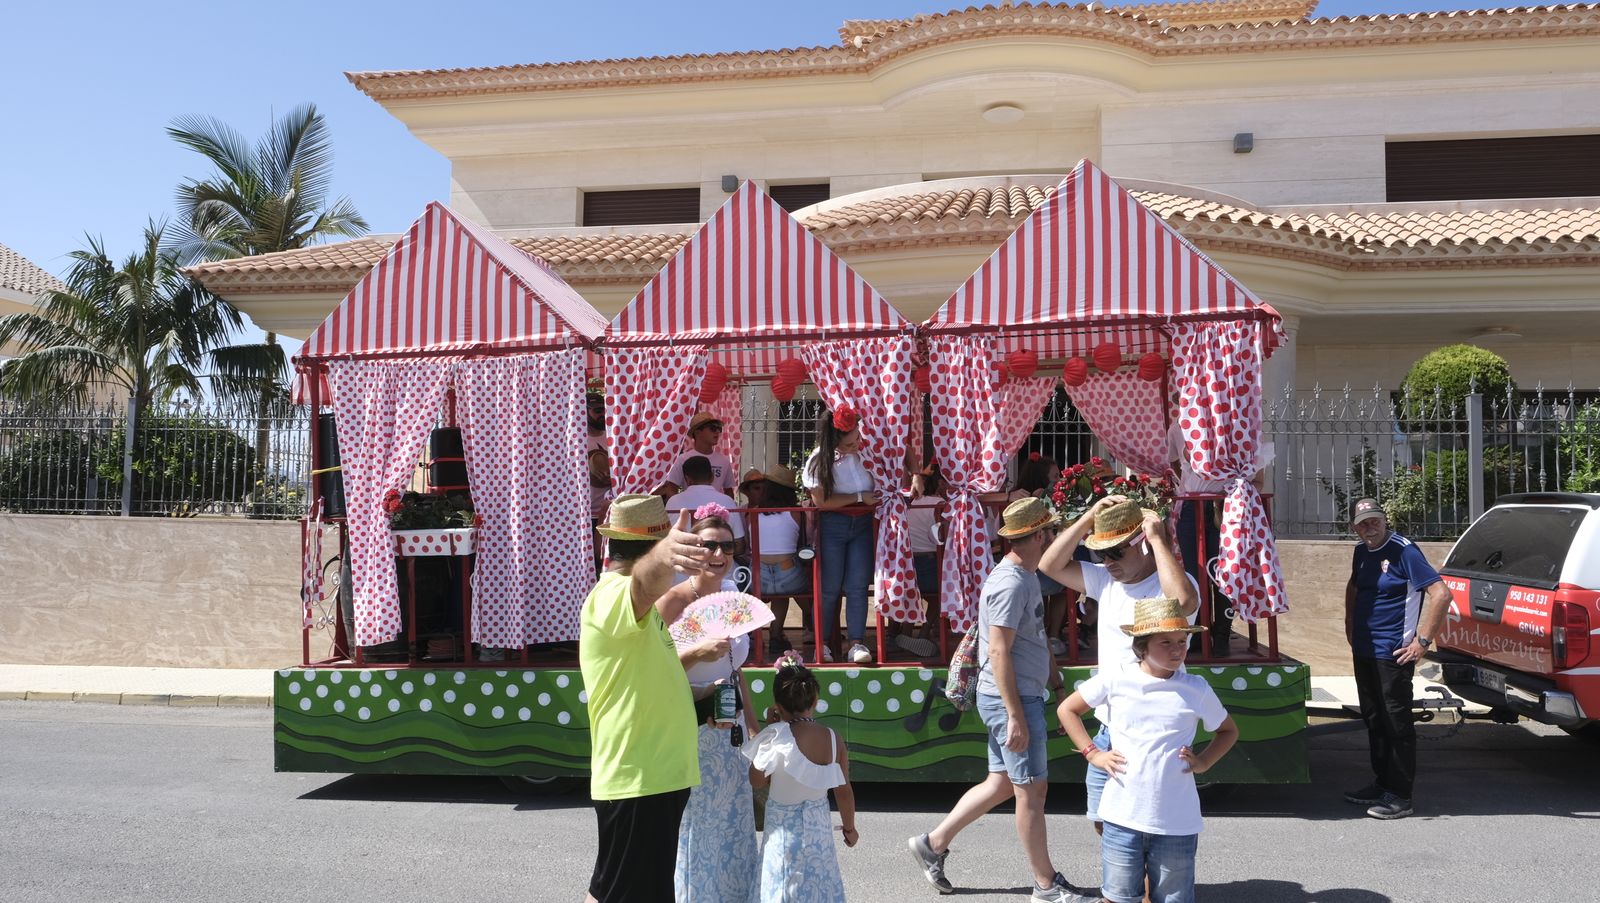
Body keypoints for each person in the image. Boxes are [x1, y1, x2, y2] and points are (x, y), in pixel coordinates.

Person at [908, 497, 1086, 903]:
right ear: (1039, 535)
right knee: (1031, 792)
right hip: (1012, 698)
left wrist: (1056, 687)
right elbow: (1000, 651)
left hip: (1017, 695)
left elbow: (1034, 640)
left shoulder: (1023, 576)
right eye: (1051, 531)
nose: (1054, 537)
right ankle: (1045, 885)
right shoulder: (1011, 582)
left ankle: (932, 844)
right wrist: (1015, 714)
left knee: (1003, 782)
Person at [1057, 597, 1239, 903]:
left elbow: (1228, 730)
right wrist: (1092, 753)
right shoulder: (1117, 679)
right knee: (1117, 897)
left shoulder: (1195, 688)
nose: (1177, 649)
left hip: (1177, 823)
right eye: (1165, 641)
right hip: (1121, 817)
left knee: (1173, 898)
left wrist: (1205, 762)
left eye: (1182, 641)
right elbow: (1067, 710)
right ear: (1141, 646)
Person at [1039, 496, 1200, 837]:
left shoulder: (1170, 583)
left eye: (1116, 552)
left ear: (1141, 544)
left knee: (1148, 826)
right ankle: (1125, 887)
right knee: (1104, 821)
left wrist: (1157, 539)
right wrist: (1088, 518)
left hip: (1152, 729)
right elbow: (1049, 565)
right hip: (1109, 728)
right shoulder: (1104, 580)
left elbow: (1183, 605)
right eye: (1101, 552)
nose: (1107, 561)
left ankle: (1139, 890)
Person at [578, 494, 711, 903]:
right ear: (649, 551)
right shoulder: (612, 593)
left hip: (653, 777)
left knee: (615, 892)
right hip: (640, 778)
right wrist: (663, 555)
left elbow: (651, 678)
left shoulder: (643, 610)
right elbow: (642, 582)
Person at [1343, 497, 1451, 820]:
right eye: (1363, 524)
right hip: (1364, 649)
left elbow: (1441, 594)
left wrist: (1423, 642)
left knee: (1396, 724)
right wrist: (1349, 622)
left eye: (1374, 520)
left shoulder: (1404, 550)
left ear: (1384, 520)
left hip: (1394, 654)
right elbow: (1354, 585)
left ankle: (1401, 795)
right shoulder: (1361, 552)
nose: (1370, 527)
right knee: (1374, 719)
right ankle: (1382, 783)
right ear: (1355, 528)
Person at [673, 507, 761, 903]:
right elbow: (653, 669)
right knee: (700, 820)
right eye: (710, 545)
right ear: (693, 548)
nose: (719, 554)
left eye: (727, 545)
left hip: (731, 727)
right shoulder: (674, 601)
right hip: (689, 723)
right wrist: (699, 650)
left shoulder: (735, 599)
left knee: (735, 820)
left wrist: (756, 729)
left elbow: (738, 669)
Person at [745, 652, 858, 903]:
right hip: (818, 833)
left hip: (783, 834)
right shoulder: (832, 737)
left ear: (777, 704)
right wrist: (849, 828)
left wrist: (768, 729)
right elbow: (843, 791)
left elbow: (756, 780)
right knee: (819, 884)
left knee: (782, 886)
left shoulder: (775, 735)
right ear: (815, 700)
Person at [1166, 421, 1272, 655]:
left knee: (1225, 572)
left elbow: (1258, 477)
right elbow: (1176, 462)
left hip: (1227, 506)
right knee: (1193, 574)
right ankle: (1197, 634)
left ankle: (1222, 634)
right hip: (1191, 506)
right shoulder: (1180, 426)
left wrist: (1234, 489)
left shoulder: (1241, 423)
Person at [802, 407, 880, 665]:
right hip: (833, 524)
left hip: (864, 523)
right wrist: (859, 498)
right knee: (828, 589)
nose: (857, 444)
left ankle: (856, 642)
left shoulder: (866, 453)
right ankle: (821, 645)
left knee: (858, 586)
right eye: (850, 442)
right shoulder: (817, 460)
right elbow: (821, 501)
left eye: (857, 438)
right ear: (834, 440)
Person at [747, 465, 811, 658]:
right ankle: (813, 625)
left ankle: (761, 636)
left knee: (778, 592)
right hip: (789, 573)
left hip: (759, 575)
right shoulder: (795, 513)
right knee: (795, 588)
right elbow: (803, 543)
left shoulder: (753, 513)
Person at [665, 455, 745, 549]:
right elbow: (740, 545)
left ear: (687, 479)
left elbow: (665, 540)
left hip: (683, 560)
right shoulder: (727, 501)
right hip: (721, 560)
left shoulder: (673, 502)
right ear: (712, 477)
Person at [658, 411, 736, 498]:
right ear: (698, 432)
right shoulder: (682, 459)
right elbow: (671, 488)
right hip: (690, 509)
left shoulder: (724, 461)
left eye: (719, 429)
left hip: (714, 510)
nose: (717, 432)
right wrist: (681, 506)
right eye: (713, 428)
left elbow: (729, 492)